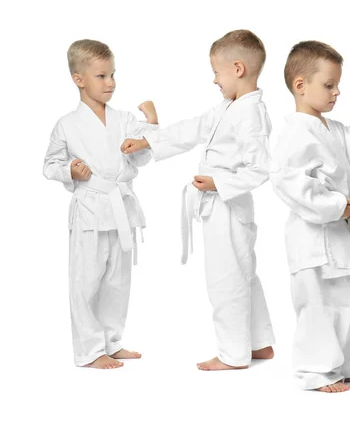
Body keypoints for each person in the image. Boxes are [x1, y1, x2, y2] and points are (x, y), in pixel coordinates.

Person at [121, 30, 275, 371]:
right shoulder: (229, 107)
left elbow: (261, 168)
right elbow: (192, 129)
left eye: (216, 73)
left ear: (237, 69)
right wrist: (150, 141)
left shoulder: (251, 114)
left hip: (228, 207)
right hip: (222, 205)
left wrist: (219, 182)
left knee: (227, 279)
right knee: (244, 273)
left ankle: (233, 354)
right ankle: (259, 342)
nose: (214, 80)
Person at [270, 41, 350, 392]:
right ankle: (315, 371)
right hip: (312, 235)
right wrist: (335, 204)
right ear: (301, 85)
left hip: (342, 234)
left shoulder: (340, 131)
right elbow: (288, 183)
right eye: (329, 85)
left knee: (345, 300)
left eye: (337, 84)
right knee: (317, 303)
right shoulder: (292, 133)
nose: (336, 92)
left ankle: (340, 363)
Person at [44, 39, 158, 368]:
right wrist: (70, 170)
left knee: (118, 281)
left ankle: (112, 340)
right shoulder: (66, 124)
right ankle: (90, 351)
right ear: (79, 79)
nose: (110, 83)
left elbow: (143, 157)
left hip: (121, 207)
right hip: (90, 209)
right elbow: (49, 165)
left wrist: (150, 124)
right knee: (86, 280)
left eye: (112, 75)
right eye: (101, 76)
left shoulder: (123, 118)